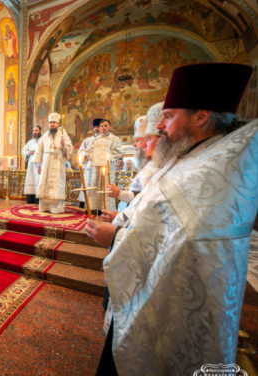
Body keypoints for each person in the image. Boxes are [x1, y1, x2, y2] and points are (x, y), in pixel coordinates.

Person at [86, 63, 256, 376]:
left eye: (169, 115)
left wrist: (115, 238)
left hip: (176, 304)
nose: (160, 126)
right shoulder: (192, 155)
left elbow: (185, 240)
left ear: (201, 116)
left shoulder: (208, 171)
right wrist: (122, 221)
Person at [103, 106, 162, 220]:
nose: (134, 145)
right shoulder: (148, 165)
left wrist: (119, 194)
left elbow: (145, 202)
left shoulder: (157, 167)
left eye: (138, 141)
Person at [33, 113, 73, 214]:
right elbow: (39, 150)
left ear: (58, 123)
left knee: (56, 184)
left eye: (54, 122)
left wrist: (64, 146)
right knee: (45, 185)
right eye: (50, 122)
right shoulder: (45, 136)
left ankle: (56, 208)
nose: (52, 124)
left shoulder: (63, 134)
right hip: (46, 163)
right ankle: (45, 207)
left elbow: (69, 150)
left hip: (58, 163)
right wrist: (38, 165)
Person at [82, 118, 122, 214]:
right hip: (95, 167)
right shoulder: (94, 140)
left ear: (109, 127)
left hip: (108, 166)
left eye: (106, 126)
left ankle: (106, 208)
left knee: (107, 186)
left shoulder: (115, 139)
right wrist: (95, 157)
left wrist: (107, 157)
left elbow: (118, 151)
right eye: (102, 126)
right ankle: (92, 208)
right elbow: (88, 151)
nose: (103, 128)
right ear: (99, 128)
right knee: (94, 185)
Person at [77, 119, 101, 208]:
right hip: (89, 165)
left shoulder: (105, 140)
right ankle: (84, 203)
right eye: (95, 127)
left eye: (98, 127)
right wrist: (84, 156)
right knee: (87, 183)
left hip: (99, 165)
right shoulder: (87, 140)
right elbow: (81, 152)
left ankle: (97, 205)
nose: (97, 129)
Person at [23, 125, 42, 203]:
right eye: (34, 130)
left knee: (38, 180)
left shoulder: (43, 141)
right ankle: (30, 199)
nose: (35, 132)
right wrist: (29, 152)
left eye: (36, 130)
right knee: (31, 180)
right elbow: (24, 151)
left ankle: (38, 199)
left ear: (40, 131)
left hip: (39, 164)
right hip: (31, 165)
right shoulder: (30, 142)